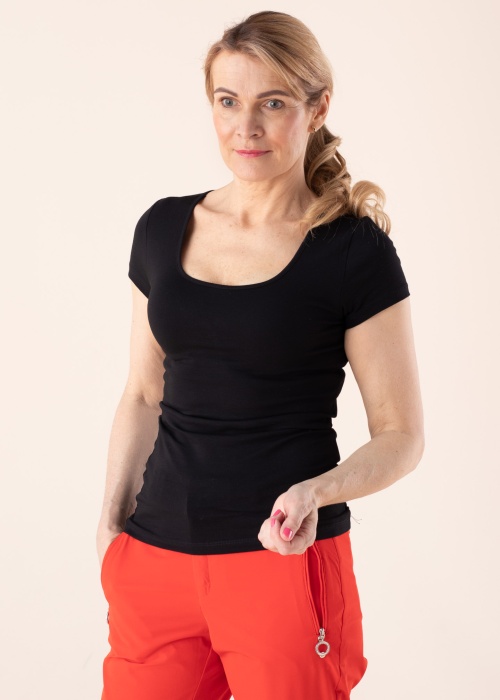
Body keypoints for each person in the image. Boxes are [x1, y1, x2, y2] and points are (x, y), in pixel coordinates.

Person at [96, 10, 424, 700]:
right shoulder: (161, 228)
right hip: (154, 561)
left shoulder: (353, 251)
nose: (245, 127)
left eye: (272, 103)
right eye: (228, 101)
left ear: (317, 107)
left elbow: (401, 435)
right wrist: (110, 529)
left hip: (283, 560)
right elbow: (143, 394)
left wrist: (316, 492)